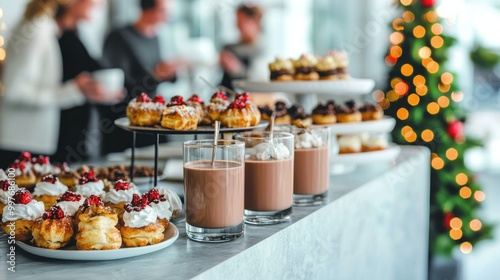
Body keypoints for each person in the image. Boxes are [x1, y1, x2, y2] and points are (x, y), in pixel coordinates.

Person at [0, 0, 119, 167]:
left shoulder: (47, 29)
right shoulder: (37, 29)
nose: (102, 4)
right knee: (12, 193)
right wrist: (74, 91)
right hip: (21, 147)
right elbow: (13, 91)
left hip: (28, 143)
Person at [99, 0, 178, 154]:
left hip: (151, 117)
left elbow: (155, 76)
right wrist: (155, 75)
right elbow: (120, 89)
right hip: (126, 121)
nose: (168, 17)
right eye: (164, 11)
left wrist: (169, 73)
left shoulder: (155, 37)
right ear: (147, 9)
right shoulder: (119, 37)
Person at [219, 4, 264, 91]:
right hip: (228, 97)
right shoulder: (230, 48)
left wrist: (237, 69)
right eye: (237, 20)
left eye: (241, 21)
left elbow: (260, 81)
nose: (237, 25)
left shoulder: (262, 51)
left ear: (253, 22)